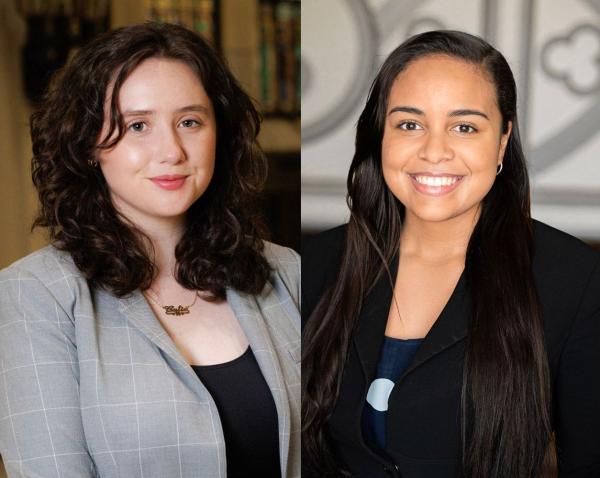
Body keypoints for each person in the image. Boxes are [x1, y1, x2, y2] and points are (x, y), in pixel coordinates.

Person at [0, 22, 300, 478]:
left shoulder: (286, 271)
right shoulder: (33, 296)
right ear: (87, 147)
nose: (172, 150)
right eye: (138, 125)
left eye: (190, 122)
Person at [302, 30, 600, 478]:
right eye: (409, 124)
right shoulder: (317, 263)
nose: (434, 151)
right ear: (379, 135)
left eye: (464, 127)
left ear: (501, 141)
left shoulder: (573, 279)